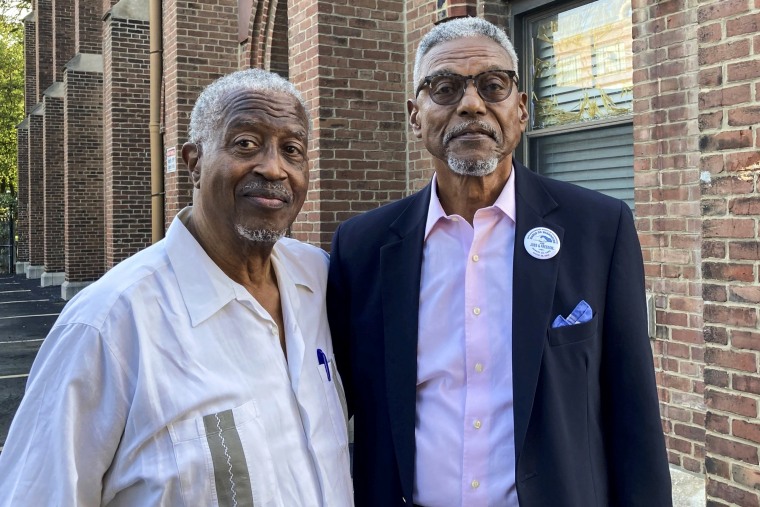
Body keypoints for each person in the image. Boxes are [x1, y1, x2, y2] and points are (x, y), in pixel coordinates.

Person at [327, 16, 671, 507]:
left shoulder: (599, 228)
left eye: (493, 86)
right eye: (444, 88)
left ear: (522, 109)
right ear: (414, 115)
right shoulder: (359, 248)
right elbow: (334, 411)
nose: (471, 105)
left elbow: (633, 411)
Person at [0, 68, 352, 506]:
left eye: (292, 149)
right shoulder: (109, 325)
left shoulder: (318, 280)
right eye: (245, 143)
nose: (273, 167)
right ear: (194, 162)